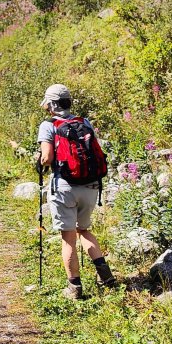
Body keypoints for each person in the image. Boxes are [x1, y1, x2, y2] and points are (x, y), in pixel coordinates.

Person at [37, 83, 117, 299]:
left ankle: (74, 288)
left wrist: (40, 161)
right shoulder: (84, 122)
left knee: (68, 238)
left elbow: (47, 158)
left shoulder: (49, 125)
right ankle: (106, 277)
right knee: (85, 230)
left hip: (65, 187)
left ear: (51, 105)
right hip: (91, 186)